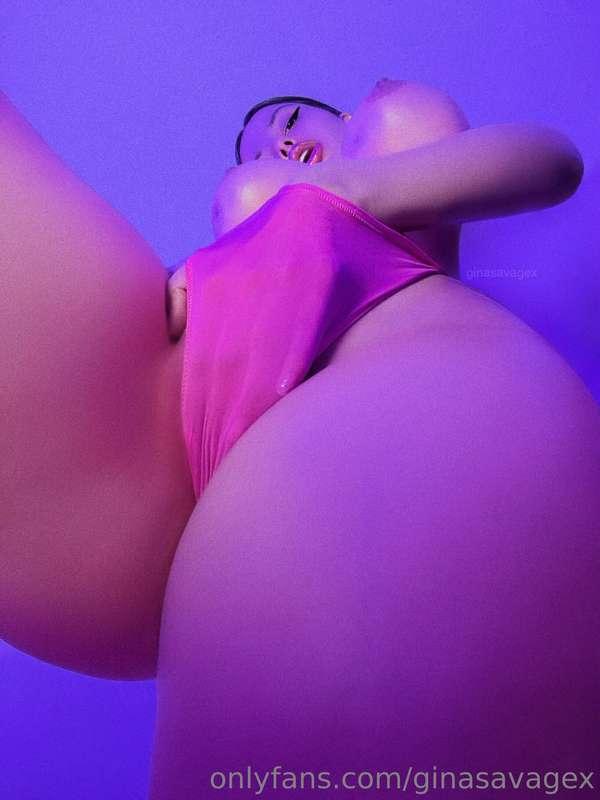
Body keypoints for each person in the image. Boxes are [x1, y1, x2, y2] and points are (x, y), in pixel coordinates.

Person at [2, 79, 599, 797]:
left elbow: (551, 161)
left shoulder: (392, 149)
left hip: (404, 380)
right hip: (180, 461)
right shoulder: (228, 266)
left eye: (288, 122)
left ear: (348, 120)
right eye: (256, 155)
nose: (278, 145)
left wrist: (338, 194)